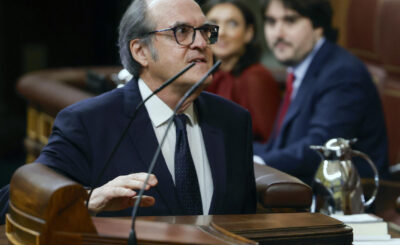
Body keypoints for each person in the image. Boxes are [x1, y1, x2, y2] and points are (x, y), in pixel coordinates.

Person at [0, 0, 256, 221]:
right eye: (182, 31)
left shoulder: (233, 120)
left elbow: (247, 224)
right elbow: (14, 202)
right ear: (140, 51)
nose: (201, 43)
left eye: (205, 31)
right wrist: (88, 199)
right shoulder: (88, 123)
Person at [253, 0, 389, 184]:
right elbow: (281, 146)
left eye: (290, 20)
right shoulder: (300, 68)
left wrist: (260, 163)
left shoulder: (341, 72)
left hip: (342, 200)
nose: (278, 33)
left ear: (318, 26)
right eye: (271, 21)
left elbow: (321, 149)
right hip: (299, 189)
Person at [203, 0, 281, 142]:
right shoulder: (206, 75)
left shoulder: (256, 77)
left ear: (248, 33)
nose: (221, 33)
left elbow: (269, 140)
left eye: (232, 24)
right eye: (213, 24)